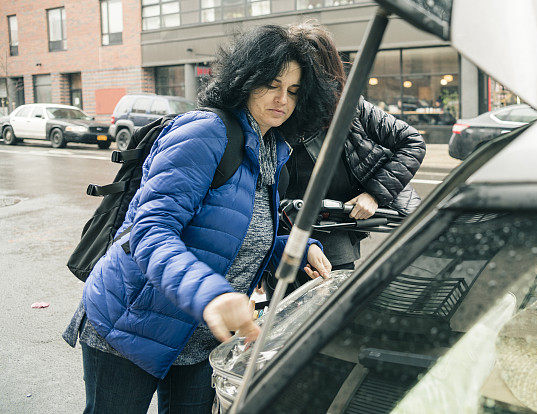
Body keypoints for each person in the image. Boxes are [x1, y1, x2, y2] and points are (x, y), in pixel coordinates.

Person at [63, 24, 337, 413]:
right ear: (245, 80)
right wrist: (212, 294)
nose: (282, 99)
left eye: (293, 91)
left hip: (203, 336)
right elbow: (152, 231)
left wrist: (295, 248)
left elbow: (237, 229)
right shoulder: (204, 132)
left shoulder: (274, 146)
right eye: (272, 85)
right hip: (133, 324)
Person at [281, 22, 426, 272]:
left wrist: (375, 194)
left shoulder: (351, 108)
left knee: (331, 301)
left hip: (331, 228)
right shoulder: (278, 109)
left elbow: (412, 142)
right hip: (283, 230)